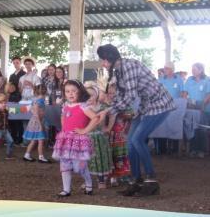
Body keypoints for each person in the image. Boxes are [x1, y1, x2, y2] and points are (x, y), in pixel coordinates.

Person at [96, 44, 175, 196]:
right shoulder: (119, 71)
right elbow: (120, 95)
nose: (103, 63)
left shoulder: (128, 66)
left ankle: (151, 181)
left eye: (104, 60)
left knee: (137, 140)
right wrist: (106, 108)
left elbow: (130, 96)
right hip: (146, 107)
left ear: (110, 58)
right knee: (130, 142)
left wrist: (108, 111)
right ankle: (135, 181)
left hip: (160, 104)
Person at [52, 80, 102, 197]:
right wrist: (64, 131)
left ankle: (89, 184)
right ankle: (66, 189)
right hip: (66, 140)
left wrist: (84, 131)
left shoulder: (83, 106)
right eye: (67, 91)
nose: (70, 94)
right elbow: (63, 117)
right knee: (65, 165)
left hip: (79, 141)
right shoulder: (65, 106)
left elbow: (95, 118)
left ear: (80, 92)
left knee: (80, 166)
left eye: (74, 91)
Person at [85, 81, 114, 189]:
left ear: (96, 95)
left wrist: (109, 128)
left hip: (100, 137)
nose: (89, 98)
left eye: (92, 95)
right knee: (88, 159)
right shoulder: (84, 108)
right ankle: (88, 180)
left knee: (100, 157)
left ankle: (101, 180)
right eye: (87, 95)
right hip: (88, 137)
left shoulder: (103, 106)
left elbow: (112, 115)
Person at [183, 63, 210, 158]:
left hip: (204, 109)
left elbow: (208, 95)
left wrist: (202, 105)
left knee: (202, 129)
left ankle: (201, 150)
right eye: (192, 69)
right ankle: (193, 149)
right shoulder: (189, 80)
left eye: (194, 69)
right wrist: (185, 102)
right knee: (191, 128)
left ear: (201, 70)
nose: (192, 71)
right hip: (191, 109)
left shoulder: (207, 80)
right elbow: (184, 93)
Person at [23, 85, 50, 163]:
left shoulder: (36, 100)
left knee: (34, 140)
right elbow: (37, 113)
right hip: (37, 121)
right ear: (45, 92)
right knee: (40, 140)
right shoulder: (40, 101)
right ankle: (41, 157)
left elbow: (34, 111)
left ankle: (27, 155)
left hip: (35, 121)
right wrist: (40, 124)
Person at [8, 56, 26, 146]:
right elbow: (9, 87)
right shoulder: (11, 75)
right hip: (11, 98)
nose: (15, 64)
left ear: (20, 63)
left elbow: (22, 88)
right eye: (14, 63)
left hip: (20, 98)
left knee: (19, 119)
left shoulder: (24, 74)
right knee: (11, 118)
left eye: (17, 62)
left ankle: (19, 139)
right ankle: (13, 138)